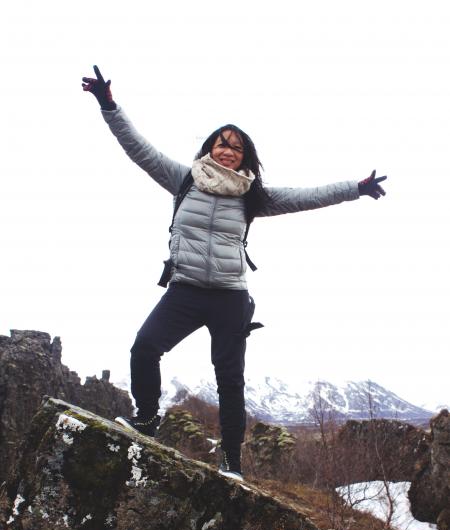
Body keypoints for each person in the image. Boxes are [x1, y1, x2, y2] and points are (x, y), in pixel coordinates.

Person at [82, 65, 387, 482]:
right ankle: (148, 419)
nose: (228, 151)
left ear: (245, 157)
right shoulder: (184, 179)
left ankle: (231, 460)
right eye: (222, 144)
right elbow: (138, 148)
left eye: (236, 148)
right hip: (185, 289)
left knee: (229, 379)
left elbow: (306, 197)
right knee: (144, 348)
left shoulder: (252, 197)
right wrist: (108, 105)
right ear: (210, 148)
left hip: (230, 297)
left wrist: (356, 188)